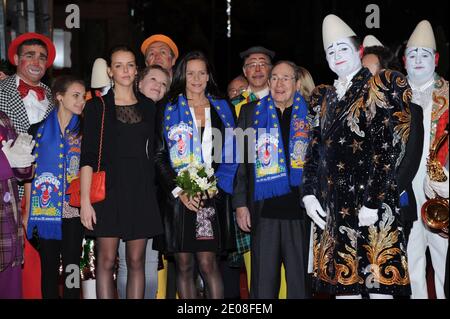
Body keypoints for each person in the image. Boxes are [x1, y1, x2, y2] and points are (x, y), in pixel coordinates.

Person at [302, 14, 411, 299]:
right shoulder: (324, 97)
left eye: (343, 49)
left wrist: (373, 204)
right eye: (331, 51)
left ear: (358, 52)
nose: (337, 56)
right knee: (344, 290)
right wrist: (308, 193)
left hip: (370, 205)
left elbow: (386, 151)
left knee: (378, 290)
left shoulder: (375, 88)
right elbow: (313, 149)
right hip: (335, 209)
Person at [80, 45, 163, 299]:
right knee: (106, 262)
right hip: (109, 191)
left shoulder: (149, 106)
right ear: (110, 71)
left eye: (129, 65)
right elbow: (88, 157)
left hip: (141, 190)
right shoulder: (96, 107)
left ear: (136, 70)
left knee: (136, 262)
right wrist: (85, 200)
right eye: (118, 65)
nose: (125, 70)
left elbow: (156, 152)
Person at [155, 51, 237, 299]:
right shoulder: (167, 108)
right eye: (190, 72)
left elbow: (236, 152)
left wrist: (217, 185)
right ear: (182, 75)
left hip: (213, 197)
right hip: (180, 200)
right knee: (184, 266)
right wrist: (179, 191)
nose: (196, 78)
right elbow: (159, 156)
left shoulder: (224, 107)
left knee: (208, 264)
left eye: (202, 72)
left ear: (209, 75)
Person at [233, 60, 310, 298]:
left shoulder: (311, 114)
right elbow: (238, 162)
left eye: (286, 78)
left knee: (299, 286)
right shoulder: (249, 113)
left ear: (297, 84)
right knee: (262, 287)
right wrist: (240, 204)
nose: (279, 84)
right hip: (263, 211)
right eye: (274, 78)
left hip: (300, 212)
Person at [24, 76, 86, 299]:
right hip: (45, 209)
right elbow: (29, 174)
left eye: (83, 97)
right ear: (60, 97)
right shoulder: (36, 131)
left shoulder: (84, 132)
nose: (81, 101)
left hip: (73, 209)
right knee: (48, 267)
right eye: (75, 96)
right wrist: (28, 213)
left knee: (71, 266)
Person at [116, 64, 171, 300]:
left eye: (163, 83)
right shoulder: (120, 109)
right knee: (127, 264)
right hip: (124, 194)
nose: (158, 86)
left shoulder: (166, 115)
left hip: (154, 198)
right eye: (153, 79)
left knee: (149, 267)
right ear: (139, 82)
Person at [404, 20, 448, 299]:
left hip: (442, 192)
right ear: (404, 61)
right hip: (405, 194)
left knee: (446, 262)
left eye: (424, 55)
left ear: (436, 59)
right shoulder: (391, 97)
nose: (418, 60)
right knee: (410, 264)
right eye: (412, 55)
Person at [0, 116, 34, 298]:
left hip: (9, 228)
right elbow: (8, 163)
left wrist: (24, 161)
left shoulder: (3, 119)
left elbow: (22, 173)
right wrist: (7, 162)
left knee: (11, 290)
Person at [0, 32, 55, 135]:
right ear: (17, 59)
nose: (36, 63)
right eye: (30, 56)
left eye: (42, 58)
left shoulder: (56, 99)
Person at [232, 46, 274, 117]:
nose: (257, 69)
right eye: (252, 65)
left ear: (271, 70)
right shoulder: (234, 103)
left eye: (262, 64)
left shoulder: (279, 99)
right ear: (244, 71)